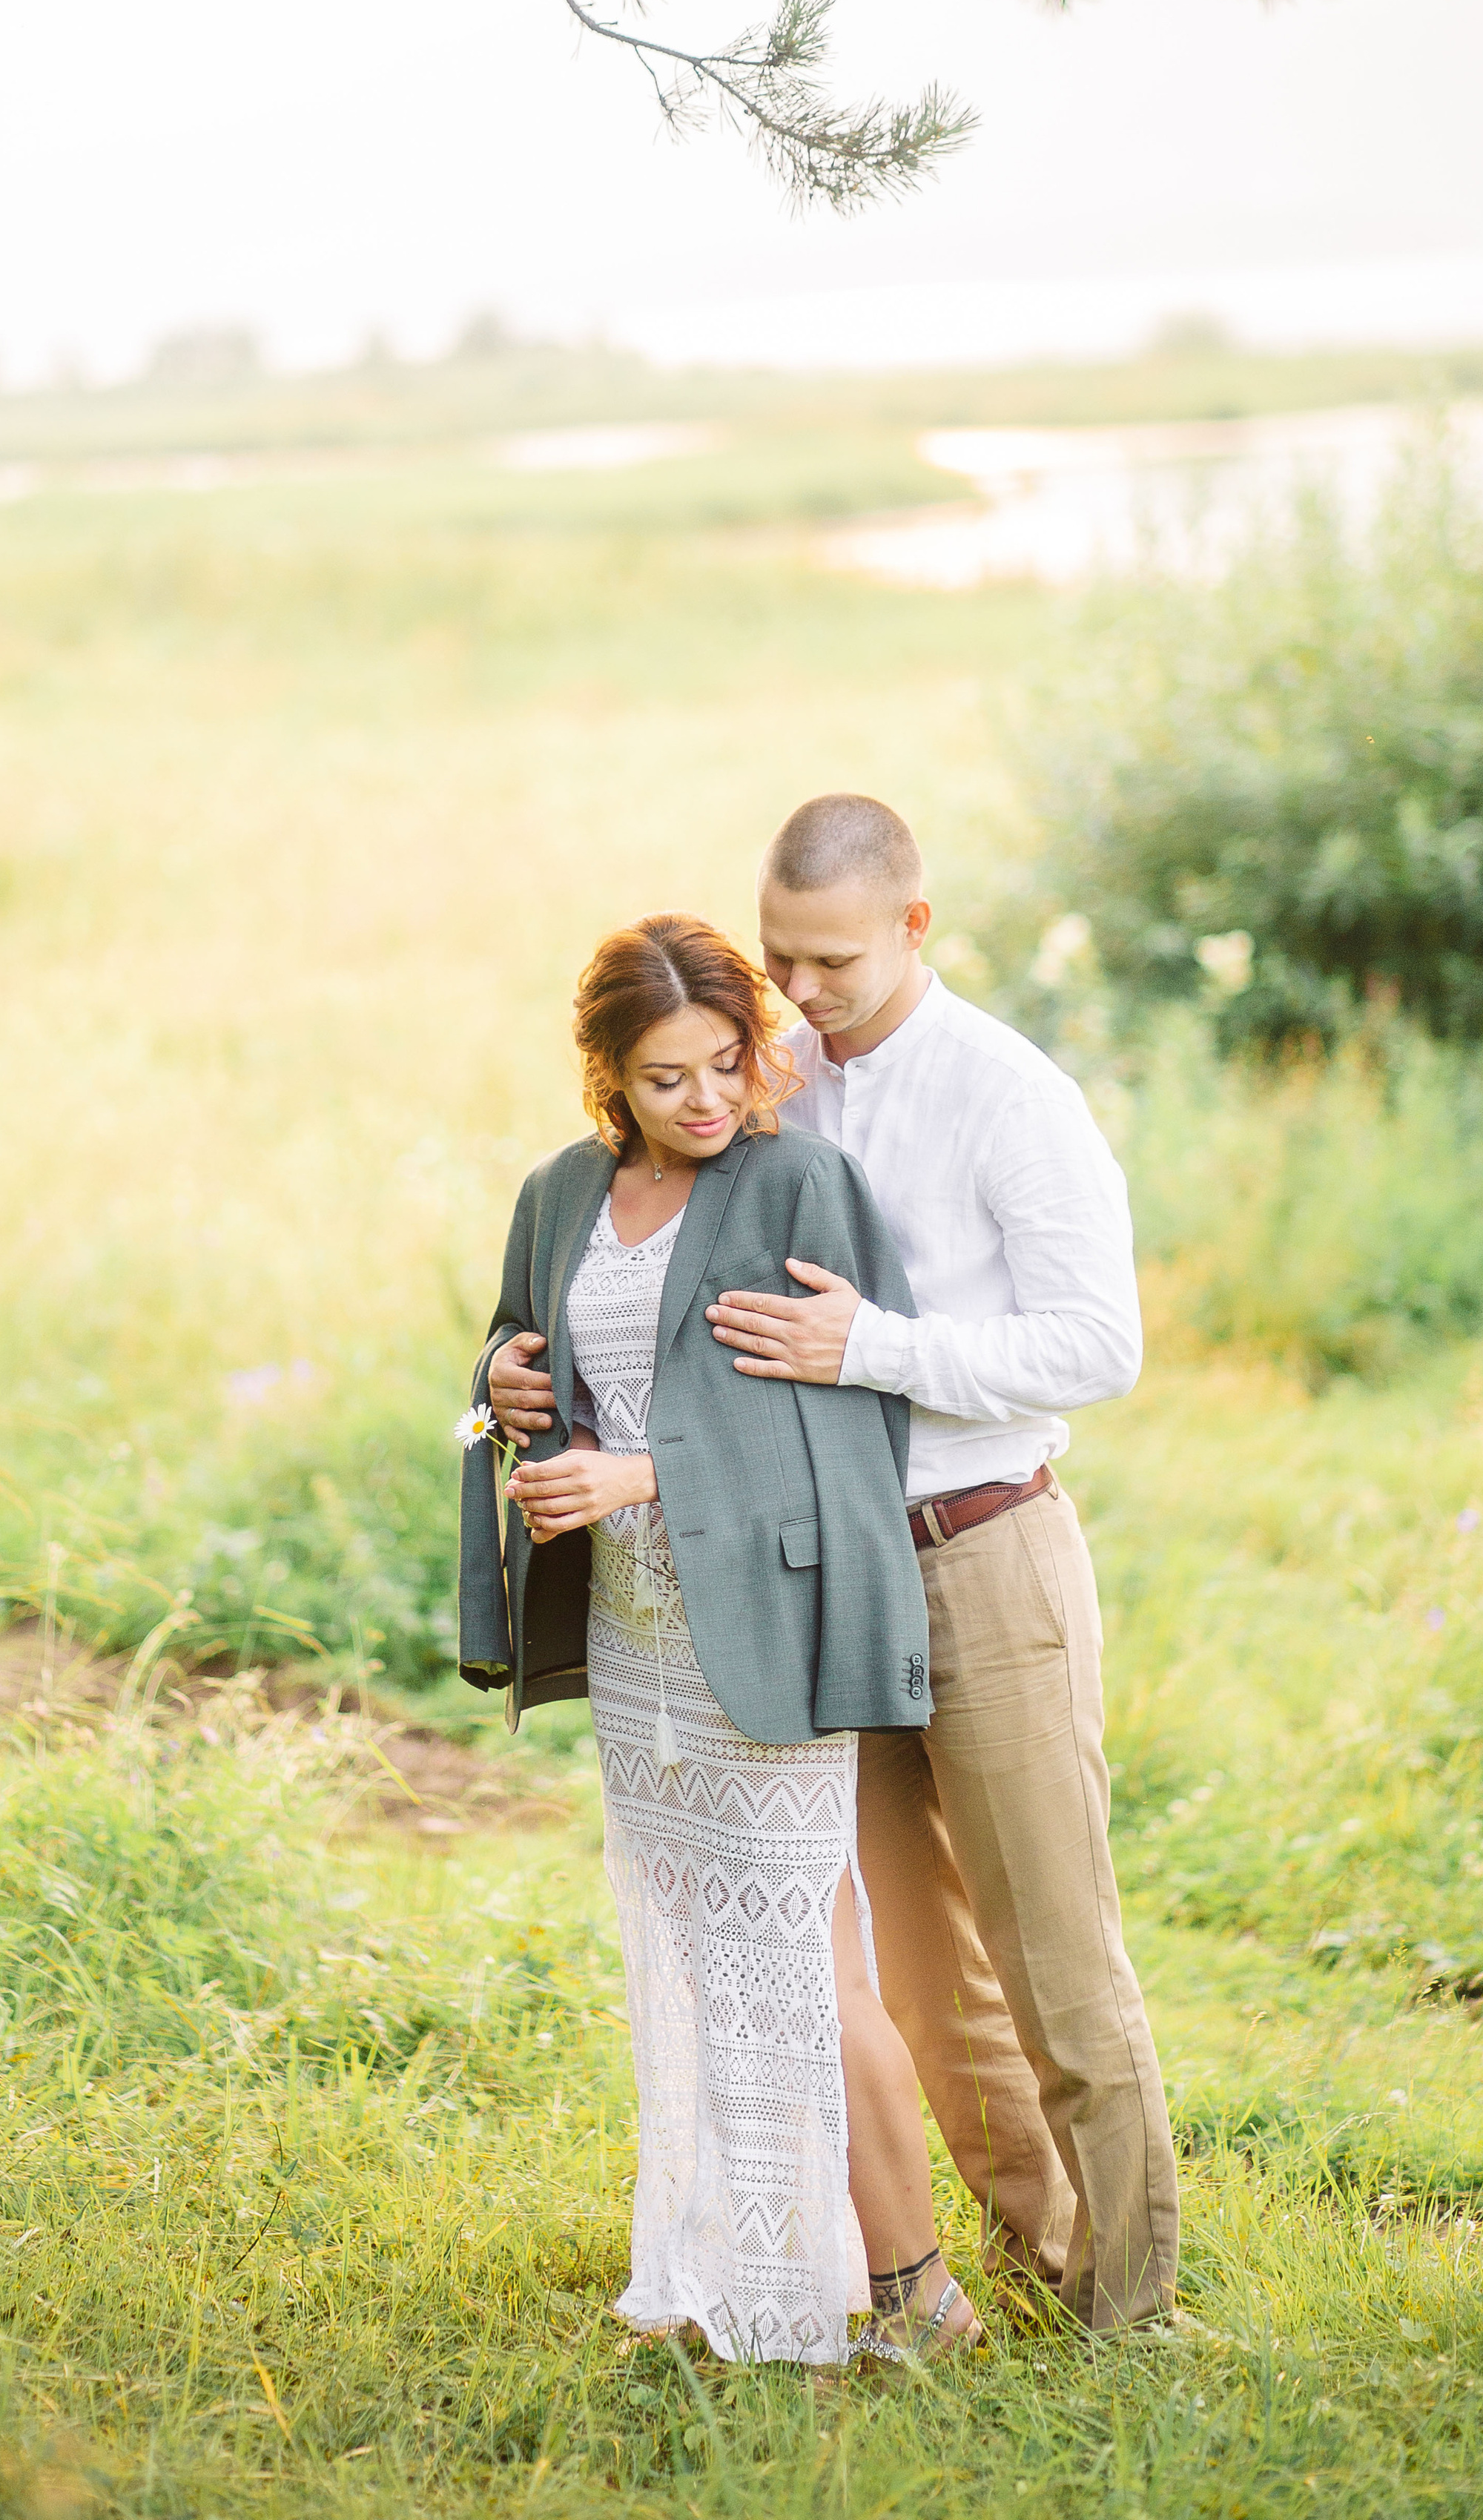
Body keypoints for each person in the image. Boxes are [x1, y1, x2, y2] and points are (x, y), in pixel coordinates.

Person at [489, 805, 1178, 2335]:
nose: (798, 991)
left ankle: (1134, 2317)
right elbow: (652, 1297)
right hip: (813, 1579)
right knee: (920, 1977)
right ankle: (1035, 2263)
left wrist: (868, 1347)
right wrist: (518, 1374)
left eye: (834, 960)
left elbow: (1097, 1344)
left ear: (916, 927)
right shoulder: (761, 1087)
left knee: (1053, 1962)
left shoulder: (1003, 1092)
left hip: (977, 1547)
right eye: (779, 954)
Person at [458, 914, 984, 2368]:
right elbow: (531, 1352)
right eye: (662, 1079)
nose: (702, 1101)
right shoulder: (559, 1197)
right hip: (630, 1646)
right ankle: (731, 2271)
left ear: (757, 1048)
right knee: (694, 1962)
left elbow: (849, 1425)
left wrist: (643, 1476)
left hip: (760, 1627)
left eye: (724, 1064)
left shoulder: (799, 1184)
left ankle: (915, 2294)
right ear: (605, 1078)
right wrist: (506, 1386)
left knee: (810, 1964)